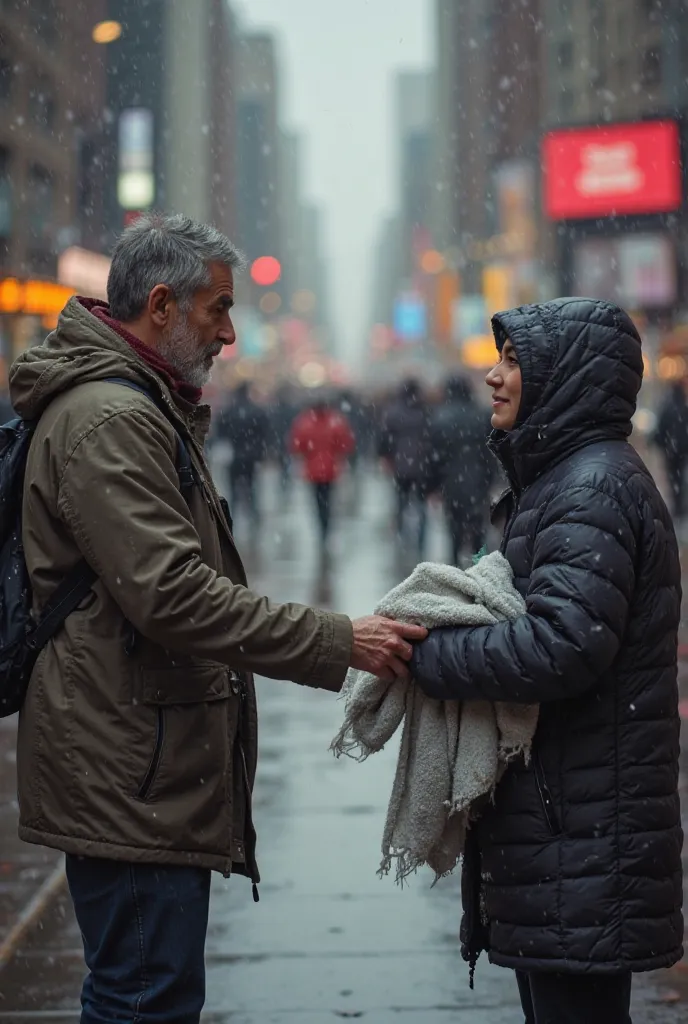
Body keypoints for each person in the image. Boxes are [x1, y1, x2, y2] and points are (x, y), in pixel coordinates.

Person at [9, 213, 426, 1024]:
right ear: (160, 305)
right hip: (127, 763)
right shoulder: (114, 418)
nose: (230, 333)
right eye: (218, 309)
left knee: (147, 990)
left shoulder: (139, 404)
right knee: (145, 997)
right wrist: (343, 640)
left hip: (136, 752)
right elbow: (173, 594)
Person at [410, 298, 683, 1024]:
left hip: (582, 833)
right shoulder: (565, 479)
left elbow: (561, 646)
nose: (494, 377)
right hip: (570, 827)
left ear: (565, 379)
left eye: (514, 363)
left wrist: (430, 652)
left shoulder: (589, 487)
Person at [430, 374, 496, 565]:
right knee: (478, 531)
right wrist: (491, 479)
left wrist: (433, 486)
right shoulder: (482, 414)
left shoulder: (441, 417)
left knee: (454, 531)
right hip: (478, 480)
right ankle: (479, 569)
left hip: (451, 482)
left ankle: (456, 570)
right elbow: (490, 451)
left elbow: (435, 457)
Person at [289, 393, 355, 549]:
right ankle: (326, 527)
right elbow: (346, 444)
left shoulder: (304, 422)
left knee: (317, 501)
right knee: (329, 500)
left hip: (312, 470)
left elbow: (297, 445)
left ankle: (321, 527)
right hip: (331, 469)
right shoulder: (336, 421)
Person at [378, 378, 432, 555]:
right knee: (421, 505)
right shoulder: (424, 411)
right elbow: (432, 438)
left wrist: (386, 457)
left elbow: (384, 438)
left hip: (400, 465)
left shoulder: (393, 412)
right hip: (422, 466)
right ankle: (420, 541)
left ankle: (402, 536)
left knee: (401, 501)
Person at [215, 381, 269, 522]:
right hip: (250, 457)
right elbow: (263, 433)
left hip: (234, 456)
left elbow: (221, 433)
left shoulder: (228, 411)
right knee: (251, 488)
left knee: (233, 489)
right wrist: (260, 453)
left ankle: (232, 517)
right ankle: (252, 517)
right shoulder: (256, 411)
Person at [653, 379, 688, 519]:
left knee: (673, 477)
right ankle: (679, 504)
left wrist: (661, 444)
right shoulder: (684, 409)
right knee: (679, 478)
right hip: (682, 450)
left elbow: (661, 428)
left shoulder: (667, 408)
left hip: (670, 450)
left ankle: (676, 504)